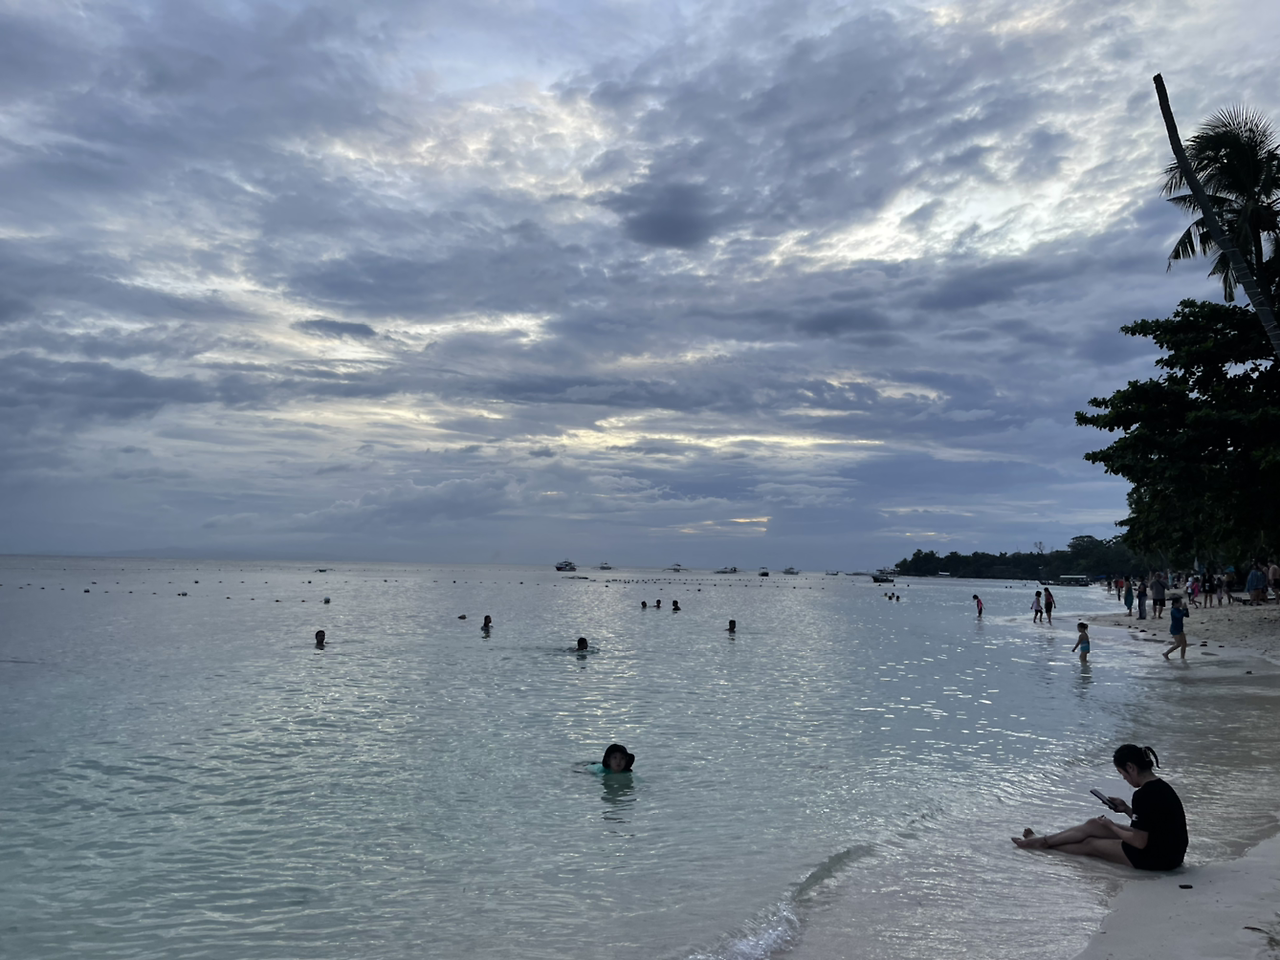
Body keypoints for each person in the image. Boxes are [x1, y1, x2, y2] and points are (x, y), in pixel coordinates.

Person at [1012, 744, 1187, 871]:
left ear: (1131, 768)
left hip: (1158, 860)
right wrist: (1126, 809)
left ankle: (1040, 844)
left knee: (1090, 844)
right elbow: (1152, 822)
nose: (1124, 779)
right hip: (1169, 852)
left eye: (1122, 773)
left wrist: (1111, 826)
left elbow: (1139, 842)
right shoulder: (1162, 787)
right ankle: (1043, 841)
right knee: (1094, 825)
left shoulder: (1143, 795)